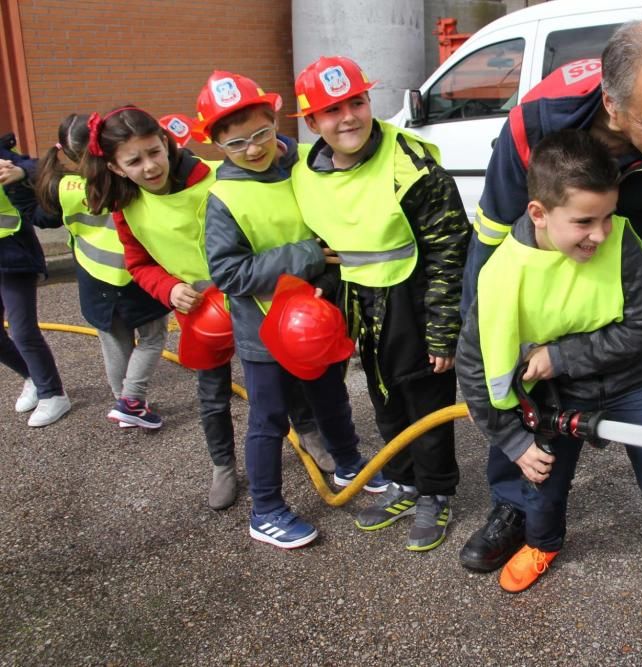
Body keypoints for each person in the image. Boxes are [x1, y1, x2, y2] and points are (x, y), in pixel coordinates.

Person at [457, 14, 642, 593]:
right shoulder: (537, 121)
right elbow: (492, 238)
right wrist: (488, 334)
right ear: (612, 105)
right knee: (521, 387)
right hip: (550, 250)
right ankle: (516, 505)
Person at [457, 129, 642, 667]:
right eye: (583, 221)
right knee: (544, 483)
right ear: (538, 212)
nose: (599, 234)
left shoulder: (623, 241)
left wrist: (559, 357)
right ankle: (543, 542)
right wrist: (512, 440)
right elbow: (474, 367)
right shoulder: (498, 275)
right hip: (561, 397)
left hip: (635, 381)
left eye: (606, 217)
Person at [80, 105, 341, 510]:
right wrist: (168, 289)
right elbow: (139, 264)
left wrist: (281, 145)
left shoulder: (213, 175)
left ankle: (307, 431)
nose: (150, 166)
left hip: (253, 294)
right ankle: (222, 464)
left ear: (166, 143)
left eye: (154, 152)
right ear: (115, 168)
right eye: (134, 161)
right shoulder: (125, 207)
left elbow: (264, 171)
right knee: (213, 393)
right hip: (199, 307)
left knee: (285, 374)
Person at [196, 70, 386, 548]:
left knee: (331, 396)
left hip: (316, 320)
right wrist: (305, 257)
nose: (254, 148)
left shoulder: (305, 165)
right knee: (269, 418)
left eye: (260, 133)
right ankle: (265, 510)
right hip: (263, 334)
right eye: (237, 143)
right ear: (217, 143)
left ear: (274, 117)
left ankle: (348, 464)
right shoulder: (223, 198)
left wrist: (325, 280)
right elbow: (229, 274)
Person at [290, 56, 469, 552]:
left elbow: (451, 248)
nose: (348, 117)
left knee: (426, 398)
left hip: (412, 297)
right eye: (332, 110)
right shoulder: (305, 173)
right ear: (311, 123)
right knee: (384, 396)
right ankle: (403, 481)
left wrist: (442, 329)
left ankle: (436, 492)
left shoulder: (409, 164)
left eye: (357, 102)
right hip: (359, 303)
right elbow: (326, 242)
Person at [29, 114, 169, 429]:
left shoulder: (61, 184)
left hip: (93, 277)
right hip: (134, 275)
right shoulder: (121, 180)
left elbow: (41, 216)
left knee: (113, 341)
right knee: (152, 336)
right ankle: (132, 400)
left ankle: (124, 401)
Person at [0, 133, 71, 427]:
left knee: (23, 330)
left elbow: (40, 167)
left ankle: (53, 394)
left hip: (12, 257)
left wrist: (20, 173)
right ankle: (31, 376)